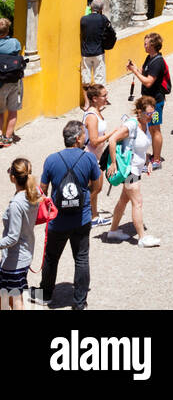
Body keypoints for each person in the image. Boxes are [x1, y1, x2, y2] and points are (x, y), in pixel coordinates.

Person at [38, 120, 102, 310]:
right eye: (83, 135)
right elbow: (97, 186)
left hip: (57, 221)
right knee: (81, 258)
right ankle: (80, 302)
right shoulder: (89, 158)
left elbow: (42, 190)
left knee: (51, 257)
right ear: (77, 139)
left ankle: (46, 294)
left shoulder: (51, 159)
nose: (85, 138)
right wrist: (85, 199)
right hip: (81, 219)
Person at [103, 97, 160, 247]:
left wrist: (147, 161)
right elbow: (112, 140)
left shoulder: (145, 124)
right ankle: (142, 238)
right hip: (130, 170)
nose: (151, 116)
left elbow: (141, 146)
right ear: (140, 112)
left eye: (152, 113)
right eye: (148, 113)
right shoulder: (131, 125)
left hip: (136, 168)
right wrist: (114, 163)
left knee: (124, 200)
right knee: (137, 202)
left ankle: (113, 231)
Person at [0, 158, 40, 310]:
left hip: (14, 260)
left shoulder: (17, 203)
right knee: (5, 297)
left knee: (16, 301)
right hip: (24, 254)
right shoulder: (32, 194)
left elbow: (12, 237)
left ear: (12, 177)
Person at [127, 33, 169, 168]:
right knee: (149, 128)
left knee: (155, 129)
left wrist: (135, 72)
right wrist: (136, 68)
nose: (144, 45)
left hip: (155, 103)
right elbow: (145, 73)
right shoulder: (149, 58)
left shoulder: (158, 62)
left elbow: (148, 82)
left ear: (152, 45)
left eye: (146, 43)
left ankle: (156, 160)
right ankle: (153, 156)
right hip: (147, 102)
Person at [81, 84, 112, 227]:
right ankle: (82, 214)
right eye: (104, 95)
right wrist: (113, 134)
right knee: (96, 188)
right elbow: (93, 141)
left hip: (96, 156)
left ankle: (93, 216)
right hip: (90, 157)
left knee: (94, 188)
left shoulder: (97, 111)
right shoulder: (92, 116)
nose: (106, 98)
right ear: (95, 98)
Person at [79, 0, 116, 88]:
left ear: (91, 7)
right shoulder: (103, 19)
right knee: (99, 80)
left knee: (86, 81)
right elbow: (111, 31)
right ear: (101, 9)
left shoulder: (83, 19)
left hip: (85, 53)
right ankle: (98, 99)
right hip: (98, 52)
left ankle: (87, 102)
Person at [0, 17, 25, 147]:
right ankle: (7, 138)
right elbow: (18, 54)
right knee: (12, 111)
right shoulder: (15, 42)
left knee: (0, 111)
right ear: (8, 30)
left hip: (0, 83)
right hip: (14, 81)